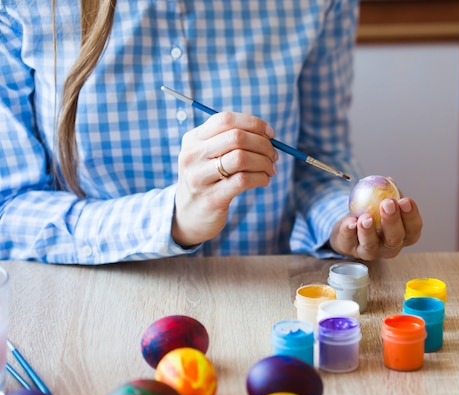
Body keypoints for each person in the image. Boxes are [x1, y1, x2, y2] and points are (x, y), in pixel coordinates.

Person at [0, 0, 422, 264]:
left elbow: (317, 160)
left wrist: (341, 224)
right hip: (91, 310)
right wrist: (173, 218)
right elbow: (9, 212)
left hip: (265, 309)